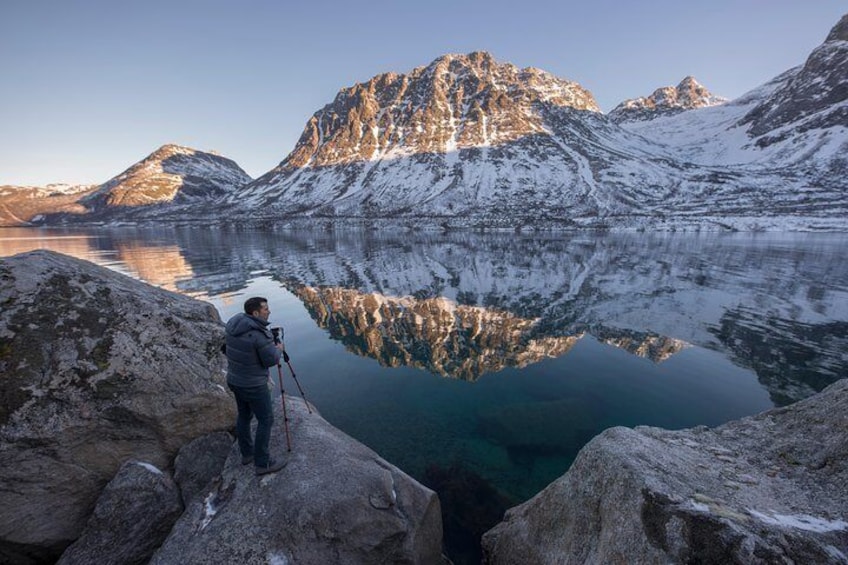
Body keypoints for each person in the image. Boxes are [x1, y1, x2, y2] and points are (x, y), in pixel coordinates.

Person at [224, 296, 289, 476]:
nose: (269, 311)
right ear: (255, 313)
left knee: (244, 415)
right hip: (253, 384)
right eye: (265, 309)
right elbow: (271, 360)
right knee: (266, 420)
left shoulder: (234, 325)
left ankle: (247, 453)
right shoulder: (258, 335)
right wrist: (279, 349)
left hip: (235, 380)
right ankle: (263, 463)